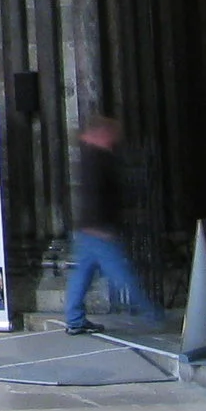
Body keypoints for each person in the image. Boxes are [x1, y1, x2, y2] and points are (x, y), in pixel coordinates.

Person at [65, 114, 163, 334]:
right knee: (121, 272)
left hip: (89, 228)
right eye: (110, 133)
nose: (114, 138)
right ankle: (150, 313)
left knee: (83, 274)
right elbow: (96, 195)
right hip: (97, 229)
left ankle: (74, 319)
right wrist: (100, 226)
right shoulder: (96, 157)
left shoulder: (92, 155)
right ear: (101, 133)